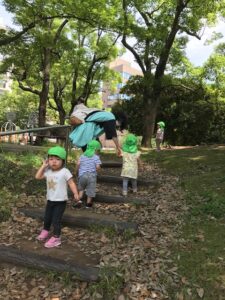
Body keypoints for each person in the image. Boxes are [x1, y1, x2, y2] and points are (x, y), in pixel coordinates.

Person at [35, 146, 79, 248]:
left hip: (60, 201)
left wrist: (75, 193)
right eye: (51, 159)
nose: (54, 162)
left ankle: (56, 237)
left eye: (57, 159)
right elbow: (37, 177)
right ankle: (45, 231)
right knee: (47, 218)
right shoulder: (48, 171)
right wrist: (43, 166)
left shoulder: (65, 171)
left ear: (63, 161)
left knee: (56, 220)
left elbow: (71, 183)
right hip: (50, 200)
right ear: (48, 160)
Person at [75, 140, 102, 208]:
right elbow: (98, 167)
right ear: (96, 149)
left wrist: (77, 171)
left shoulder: (82, 156)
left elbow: (78, 164)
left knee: (81, 189)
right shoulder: (96, 157)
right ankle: (88, 204)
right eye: (97, 150)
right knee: (90, 190)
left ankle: (79, 200)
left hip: (82, 175)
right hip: (92, 176)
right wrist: (97, 171)